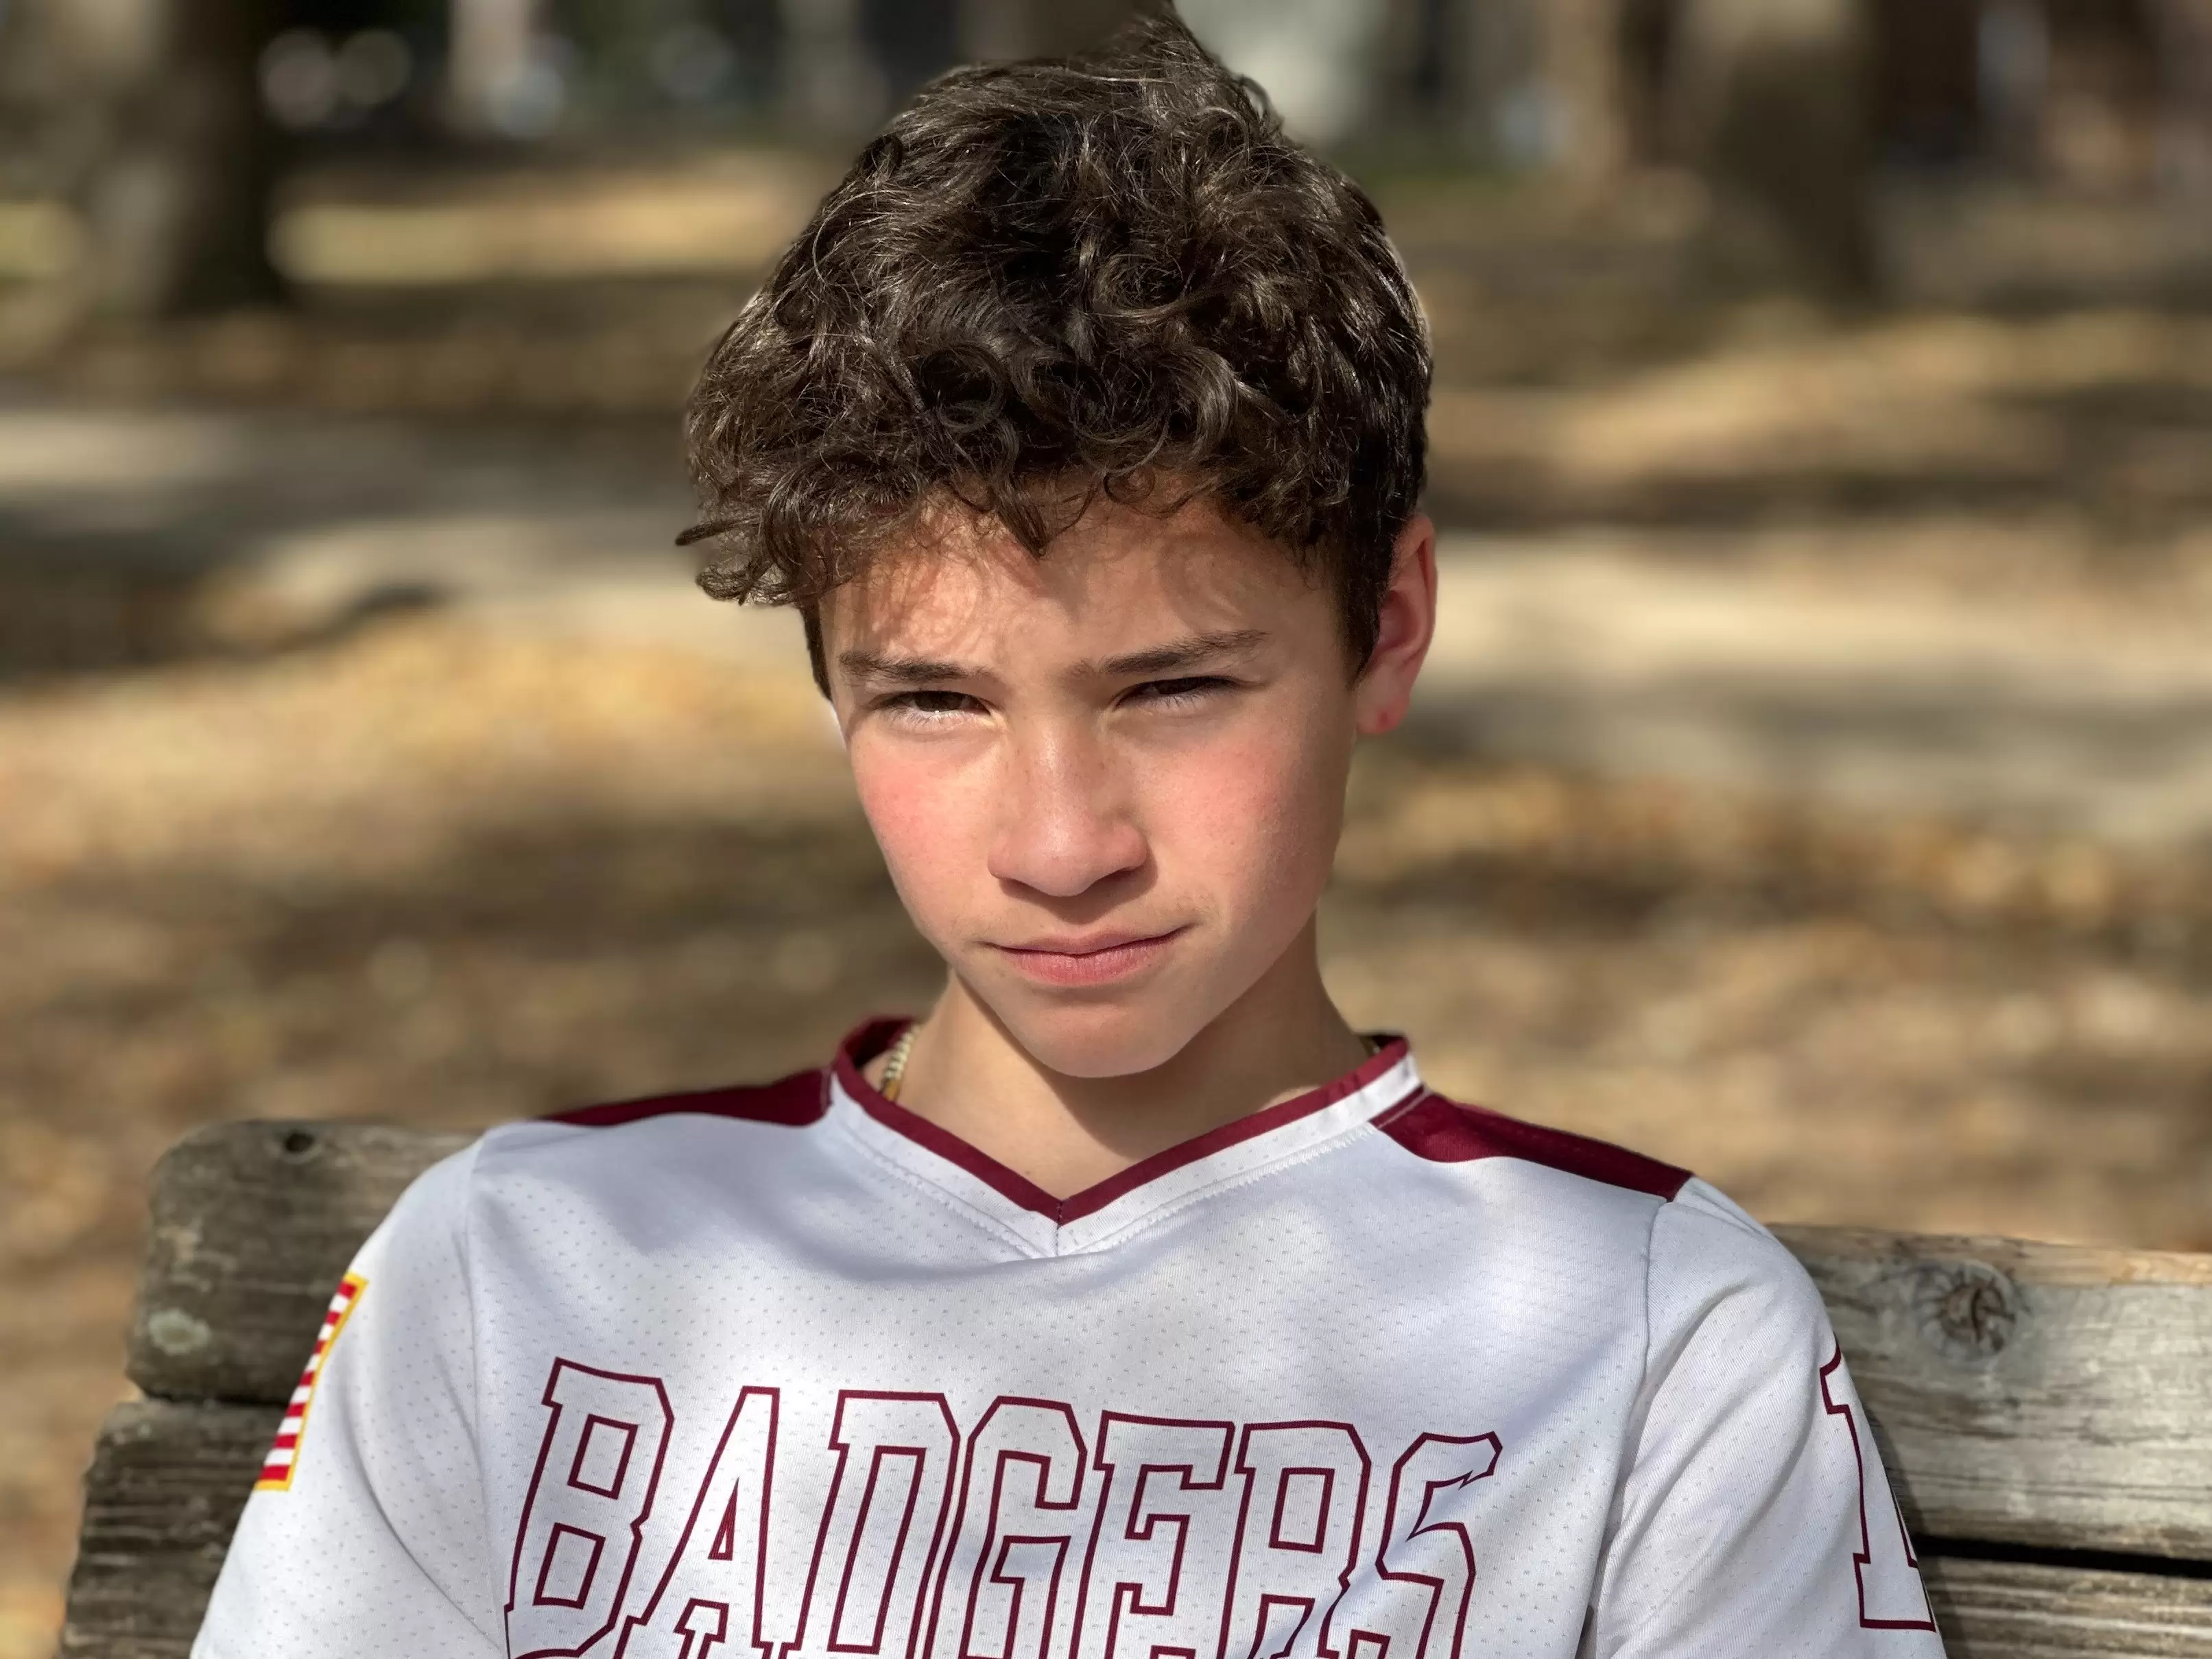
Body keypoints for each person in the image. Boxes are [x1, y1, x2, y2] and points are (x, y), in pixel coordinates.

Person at [193, 16, 1943, 1659]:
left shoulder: (1640, 1333)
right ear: (826, 681)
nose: (1057, 847)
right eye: (932, 702)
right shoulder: (521, 1268)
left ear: (1388, 627)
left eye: (1173, 689)